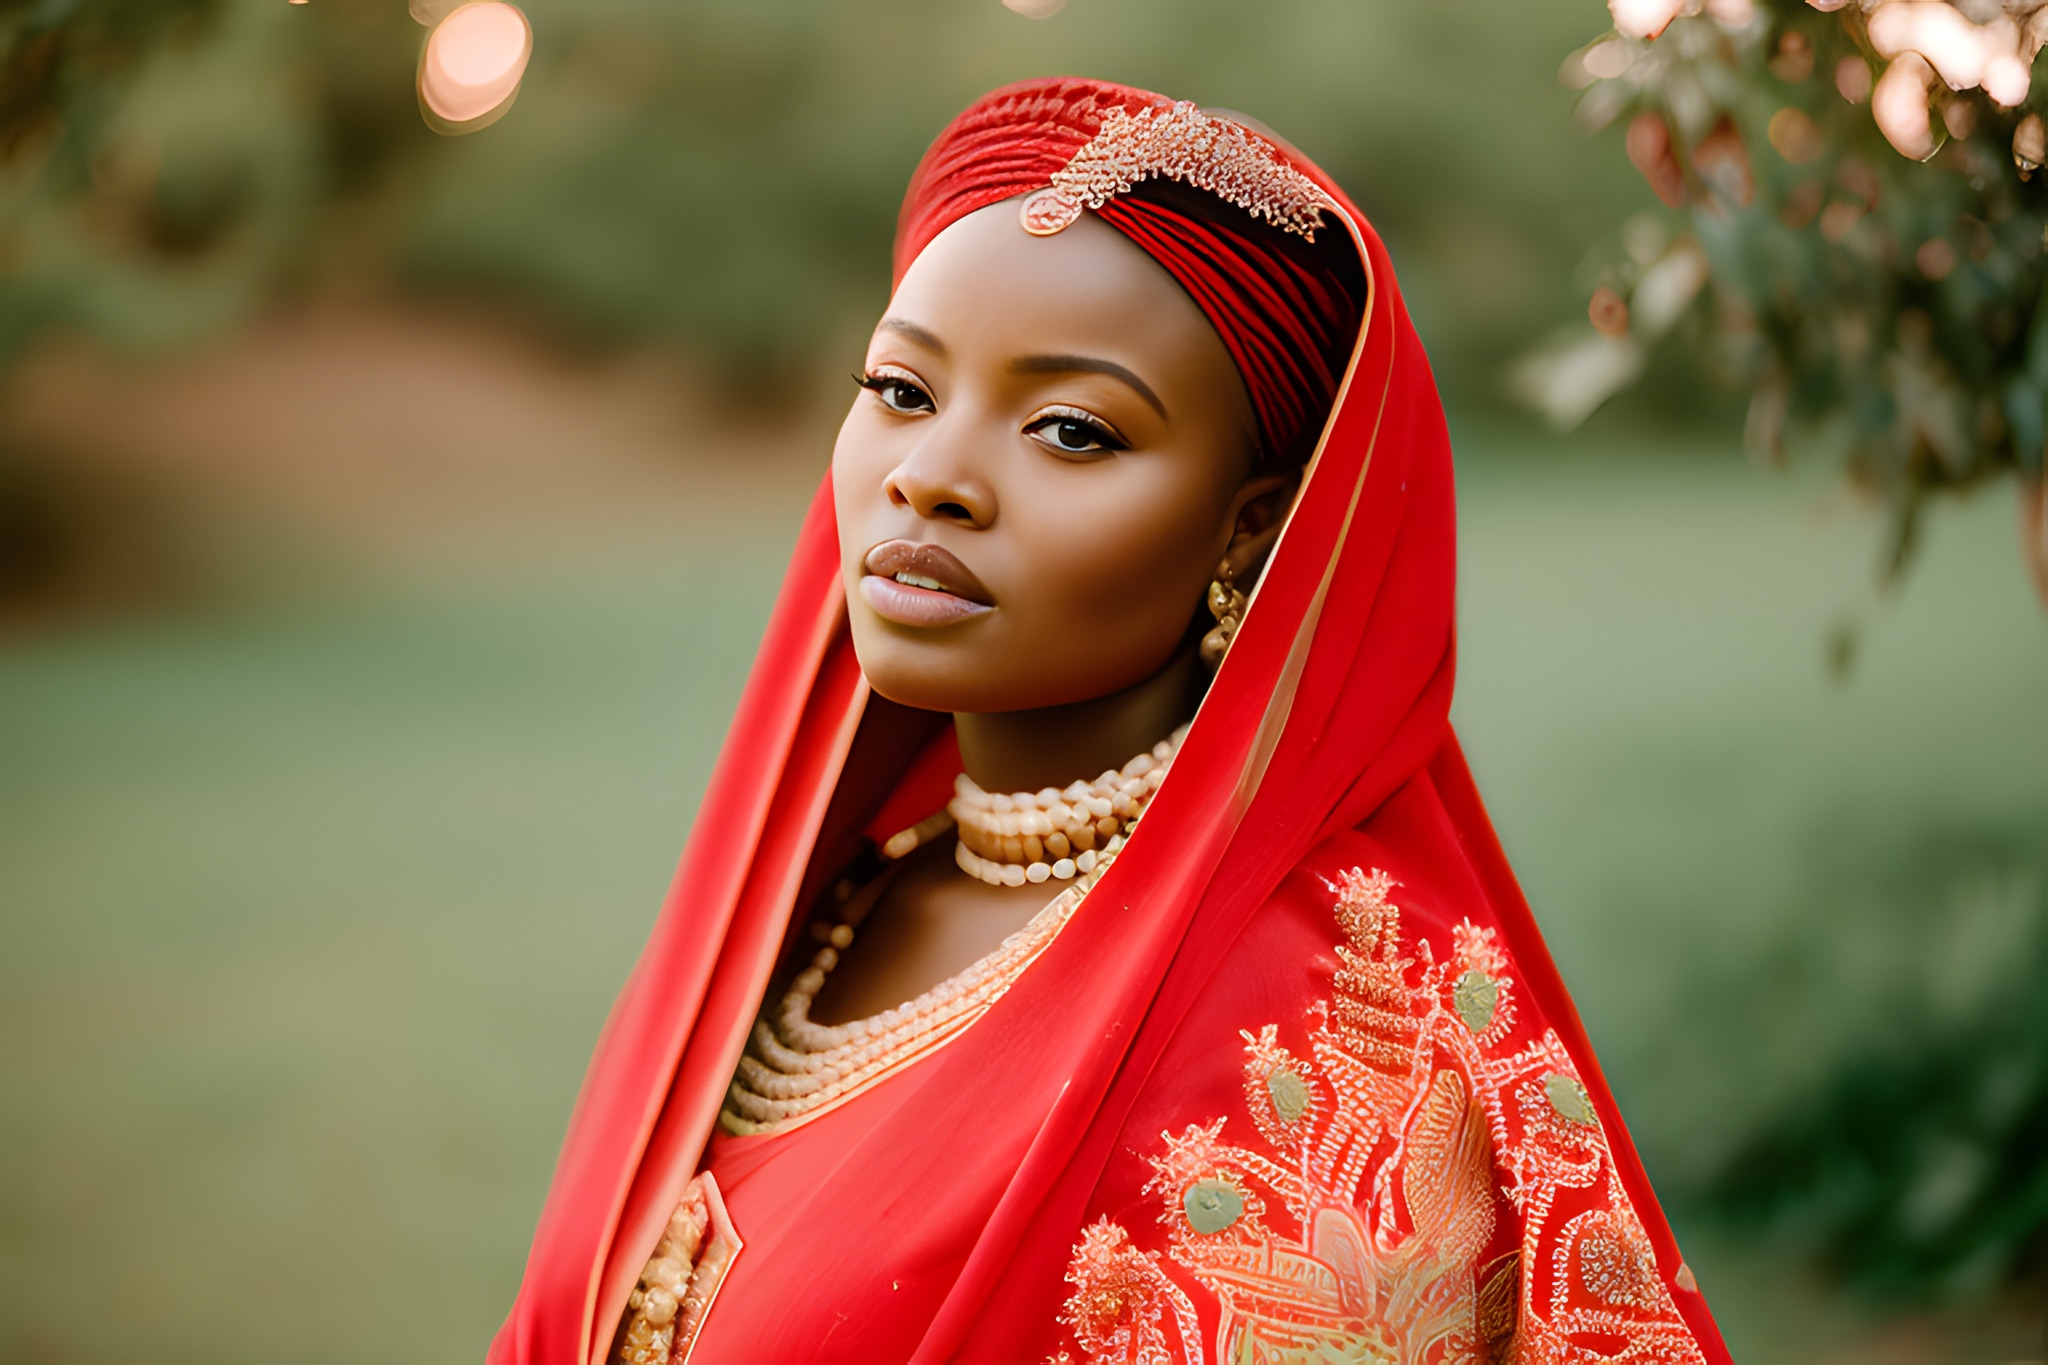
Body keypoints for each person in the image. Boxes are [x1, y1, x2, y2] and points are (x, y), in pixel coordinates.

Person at [489, 77, 1731, 1365]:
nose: (929, 477)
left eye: (1071, 430)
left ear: (1251, 527)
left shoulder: (1316, 1038)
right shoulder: (821, 911)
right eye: (901, 391)